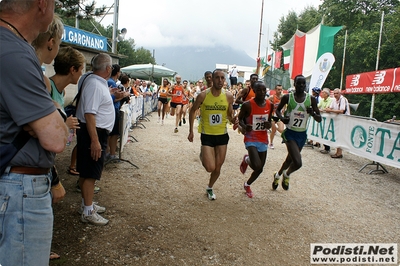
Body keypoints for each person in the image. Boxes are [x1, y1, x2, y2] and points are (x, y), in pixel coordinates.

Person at [0, 0, 68, 264]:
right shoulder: (14, 52)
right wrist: (50, 112)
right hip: (20, 189)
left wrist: (37, 119)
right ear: (42, 4)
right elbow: (57, 138)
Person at [76, 53, 115, 225]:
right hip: (93, 132)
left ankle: (87, 204)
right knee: (90, 173)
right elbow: (90, 114)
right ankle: (88, 210)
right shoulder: (95, 85)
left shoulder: (95, 82)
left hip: (94, 131)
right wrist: (95, 140)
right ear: (108, 69)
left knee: (88, 170)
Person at [188, 69, 236, 200]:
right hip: (207, 135)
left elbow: (230, 115)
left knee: (218, 167)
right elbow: (192, 111)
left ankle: (209, 187)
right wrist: (191, 131)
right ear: (212, 79)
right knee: (210, 167)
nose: (220, 81)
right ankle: (203, 153)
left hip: (222, 135)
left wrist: (234, 120)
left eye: (222, 78)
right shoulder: (203, 95)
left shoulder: (228, 96)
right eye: (217, 78)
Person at [272, 75, 321, 190]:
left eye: (303, 84)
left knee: (289, 159)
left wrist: (313, 113)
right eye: (299, 83)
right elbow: (278, 111)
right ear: (294, 85)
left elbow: (319, 118)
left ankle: (278, 175)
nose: (301, 86)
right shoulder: (288, 97)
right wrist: (282, 119)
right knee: (298, 163)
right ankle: (287, 174)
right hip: (290, 133)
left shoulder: (311, 99)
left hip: (302, 135)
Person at [238, 81, 273, 198]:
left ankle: (247, 184)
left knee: (260, 169)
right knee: (257, 165)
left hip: (263, 138)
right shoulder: (248, 104)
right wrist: (244, 126)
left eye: (264, 90)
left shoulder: (269, 104)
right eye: (259, 90)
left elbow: (269, 120)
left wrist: (269, 124)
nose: (262, 93)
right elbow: (240, 119)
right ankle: (247, 159)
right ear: (254, 91)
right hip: (251, 138)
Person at [325, 88, 350, 158]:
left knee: (340, 136)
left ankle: (339, 153)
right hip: (338, 120)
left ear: (340, 93)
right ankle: (338, 152)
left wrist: (332, 110)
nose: (335, 95)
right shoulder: (333, 100)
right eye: (334, 93)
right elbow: (329, 108)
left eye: (337, 93)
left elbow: (342, 111)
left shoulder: (343, 99)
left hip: (344, 120)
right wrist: (330, 109)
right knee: (337, 135)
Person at [268, 84, 285, 149]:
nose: (280, 91)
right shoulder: (272, 97)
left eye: (281, 89)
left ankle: (283, 136)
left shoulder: (283, 97)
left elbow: (285, 105)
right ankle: (271, 143)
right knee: (274, 130)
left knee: (281, 130)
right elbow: (265, 103)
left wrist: (284, 109)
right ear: (275, 90)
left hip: (279, 116)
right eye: (278, 89)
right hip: (272, 116)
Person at [318, 88, 333, 154]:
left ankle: (327, 148)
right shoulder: (322, 100)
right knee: (323, 132)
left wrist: (322, 109)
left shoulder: (331, 100)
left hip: (329, 119)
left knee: (327, 132)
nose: (322, 94)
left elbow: (327, 108)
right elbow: (318, 106)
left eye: (323, 92)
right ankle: (325, 147)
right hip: (324, 119)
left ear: (326, 94)